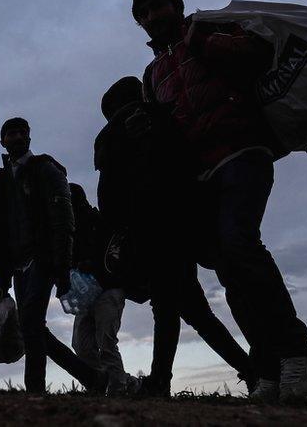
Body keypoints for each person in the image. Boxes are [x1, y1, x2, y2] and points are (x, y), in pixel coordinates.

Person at [130, 0, 307, 402]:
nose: (151, 17)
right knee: (228, 268)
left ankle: (297, 355)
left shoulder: (207, 31)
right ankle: (268, 367)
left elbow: (254, 56)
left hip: (242, 152)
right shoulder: (152, 75)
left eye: (158, 6)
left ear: (176, 7)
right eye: (142, 13)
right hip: (200, 177)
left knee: (240, 242)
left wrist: (200, 39)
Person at [94, 76, 255, 398]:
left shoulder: (110, 135)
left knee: (173, 307)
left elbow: (108, 194)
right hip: (181, 224)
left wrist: (114, 234)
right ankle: (246, 371)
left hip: (147, 230)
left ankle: (163, 381)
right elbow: (190, 164)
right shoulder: (166, 117)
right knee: (187, 310)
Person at [0, 117, 106, 394]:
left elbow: (63, 219)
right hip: (20, 263)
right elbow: (1, 231)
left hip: (43, 257)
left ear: (29, 139)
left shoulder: (46, 169)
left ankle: (35, 391)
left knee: (32, 324)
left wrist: (62, 264)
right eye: (11, 132)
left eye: (22, 132)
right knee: (32, 327)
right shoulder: (4, 178)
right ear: (2, 140)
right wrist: (2, 277)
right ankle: (91, 378)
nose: (17, 136)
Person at [68, 183, 140, 396]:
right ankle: (125, 384)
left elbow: (115, 257)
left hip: (109, 290)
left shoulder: (102, 224)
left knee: (106, 343)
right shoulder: (71, 229)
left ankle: (119, 390)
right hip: (87, 292)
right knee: (82, 346)